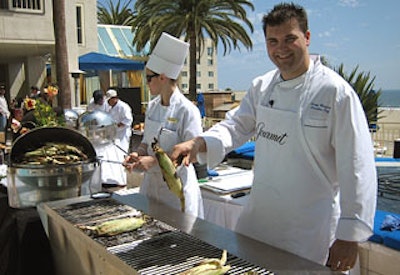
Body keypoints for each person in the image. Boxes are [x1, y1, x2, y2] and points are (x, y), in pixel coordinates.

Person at [170, 3, 377, 273]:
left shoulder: (336, 93)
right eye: (273, 41)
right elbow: (236, 126)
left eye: (290, 38)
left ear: (307, 37)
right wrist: (199, 142)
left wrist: (350, 235)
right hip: (261, 223)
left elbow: (357, 166)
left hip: (309, 231)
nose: (281, 48)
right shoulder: (262, 86)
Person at [124, 32, 204, 218]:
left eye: (149, 78)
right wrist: (138, 154)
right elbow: (146, 142)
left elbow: (190, 154)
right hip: (151, 189)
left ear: (162, 77)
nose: (147, 83)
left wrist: (152, 162)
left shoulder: (187, 111)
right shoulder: (152, 107)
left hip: (176, 194)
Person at [101, 89, 133, 187]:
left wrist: (116, 126)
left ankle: (122, 180)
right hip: (113, 135)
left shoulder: (123, 107)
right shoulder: (109, 107)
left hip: (122, 135)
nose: (108, 102)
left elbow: (128, 120)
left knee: (122, 155)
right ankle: (114, 178)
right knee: (113, 155)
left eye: (110, 100)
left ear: (115, 98)